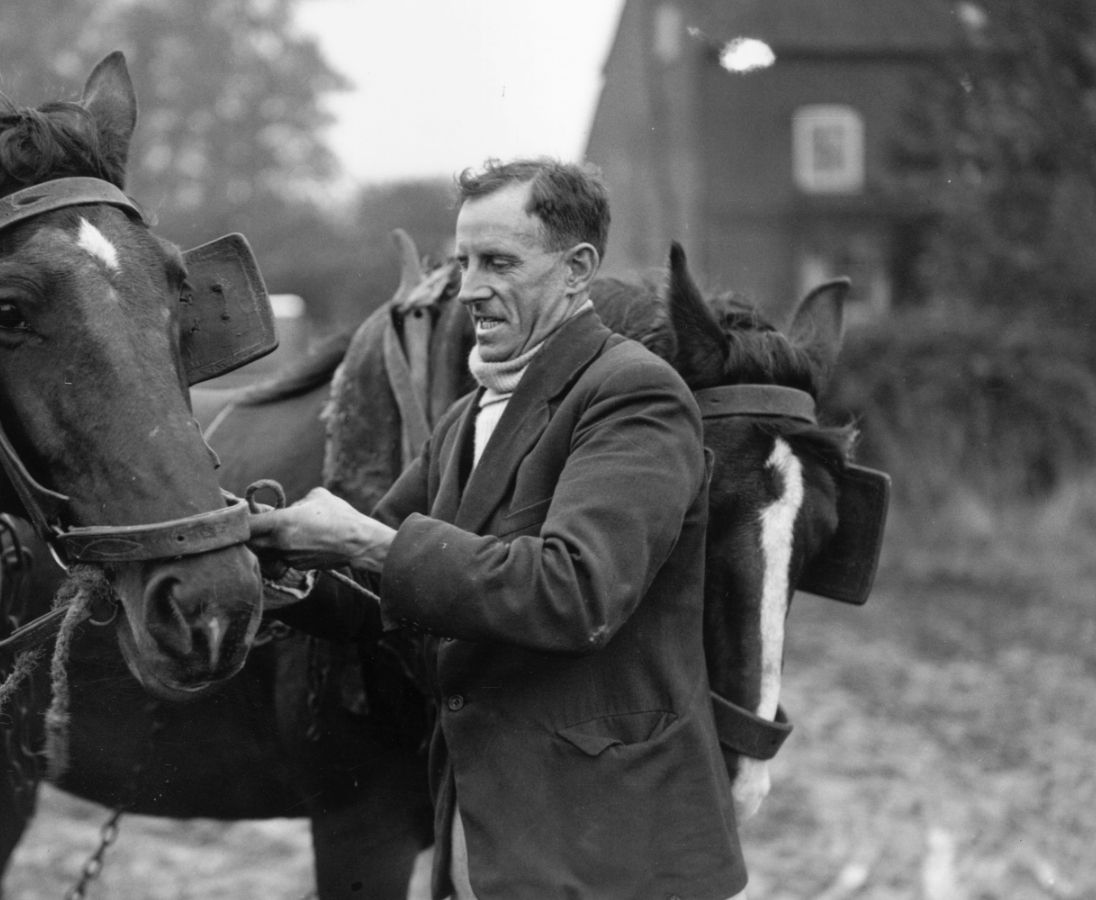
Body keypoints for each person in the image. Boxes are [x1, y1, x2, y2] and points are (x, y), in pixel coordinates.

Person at [248, 158, 747, 899]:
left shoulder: (633, 393)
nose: (469, 288)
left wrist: (364, 541)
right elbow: (383, 591)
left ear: (578, 269)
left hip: (611, 855)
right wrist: (276, 562)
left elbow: (576, 591)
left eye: (498, 262)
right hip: (486, 845)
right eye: (462, 262)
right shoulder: (468, 417)